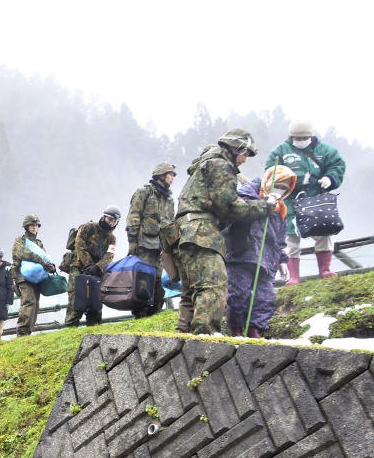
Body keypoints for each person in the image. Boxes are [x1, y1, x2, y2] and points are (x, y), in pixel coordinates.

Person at [175, 129, 279, 334]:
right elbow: (230, 206)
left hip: (186, 232)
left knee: (193, 289)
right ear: (235, 147)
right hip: (202, 231)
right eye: (245, 153)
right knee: (214, 284)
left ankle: (185, 334)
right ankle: (205, 336)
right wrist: (265, 207)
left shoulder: (205, 166)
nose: (245, 159)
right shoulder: (221, 165)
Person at [265, 121, 347, 282]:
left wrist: (330, 178)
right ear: (292, 137)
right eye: (297, 138)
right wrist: (294, 181)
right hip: (290, 201)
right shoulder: (280, 151)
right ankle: (294, 276)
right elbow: (271, 172)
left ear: (311, 136)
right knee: (290, 237)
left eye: (304, 137)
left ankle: (325, 270)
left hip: (318, 200)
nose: (301, 140)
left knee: (325, 233)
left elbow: (337, 165)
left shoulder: (326, 150)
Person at [224, 167, 293, 338]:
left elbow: (279, 239)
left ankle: (255, 329)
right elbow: (237, 214)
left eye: (285, 187)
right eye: (278, 185)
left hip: (267, 261)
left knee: (266, 297)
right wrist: (264, 204)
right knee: (239, 294)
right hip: (242, 255)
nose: (280, 190)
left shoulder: (281, 209)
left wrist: (283, 261)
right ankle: (236, 330)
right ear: (268, 181)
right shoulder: (247, 194)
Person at [126, 162, 177, 317]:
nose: (173, 178)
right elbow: (134, 216)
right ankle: (140, 313)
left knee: (160, 281)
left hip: (162, 247)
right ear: (161, 175)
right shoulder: (144, 192)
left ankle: (155, 312)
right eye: (171, 174)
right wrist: (132, 241)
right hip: (144, 245)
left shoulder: (169, 199)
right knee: (143, 280)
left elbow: (172, 222)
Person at [65, 206, 120, 327]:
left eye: (114, 221)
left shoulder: (112, 239)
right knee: (76, 299)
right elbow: (79, 245)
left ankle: (93, 329)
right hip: (78, 267)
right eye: (109, 219)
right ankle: (70, 327)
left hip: (96, 273)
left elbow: (110, 255)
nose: (111, 222)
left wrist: (98, 267)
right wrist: (89, 264)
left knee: (95, 302)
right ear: (104, 217)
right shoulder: (88, 227)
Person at [12, 214, 56, 336]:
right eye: (32, 225)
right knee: (29, 301)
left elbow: (45, 257)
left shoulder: (39, 243)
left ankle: (28, 331)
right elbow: (24, 254)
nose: (34, 227)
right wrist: (41, 260)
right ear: (26, 226)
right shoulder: (20, 241)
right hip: (22, 276)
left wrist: (51, 266)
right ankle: (22, 331)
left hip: (36, 278)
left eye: (36, 225)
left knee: (35, 304)